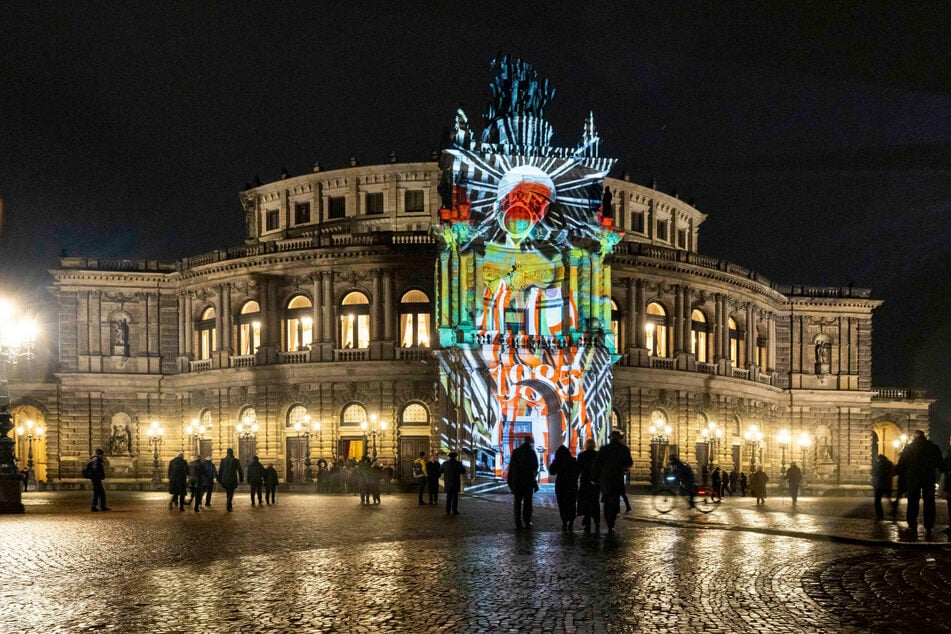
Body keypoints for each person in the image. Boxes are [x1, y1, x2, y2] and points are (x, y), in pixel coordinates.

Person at [895, 429, 943, 539]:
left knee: (912, 501)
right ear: (924, 436)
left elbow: (902, 464)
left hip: (913, 479)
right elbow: (940, 463)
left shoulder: (909, 448)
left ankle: (912, 524)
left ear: (914, 437)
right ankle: (929, 525)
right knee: (929, 502)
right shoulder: (933, 447)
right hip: (928, 478)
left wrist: (893, 472)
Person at [593, 430, 634, 533]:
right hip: (617, 477)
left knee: (606, 499)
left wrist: (595, 478)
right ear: (619, 438)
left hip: (605, 478)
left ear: (610, 438)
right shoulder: (624, 449)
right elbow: (629, 462)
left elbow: (596, 464)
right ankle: (612, 522)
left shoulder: (604, 449)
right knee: (615, 500)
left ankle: (608, 521)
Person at [507, 436, 539, 530]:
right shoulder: (532, 453)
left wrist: (510, 482)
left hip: (517, 482)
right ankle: (527, 521)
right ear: (530, 443)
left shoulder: (516, 452)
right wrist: (534, 482)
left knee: (517, 503)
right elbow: (535, 468)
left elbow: (511, 468)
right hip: (528, 482)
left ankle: (518, 523)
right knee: (527, 503)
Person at [548, 445, 579, 532]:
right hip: (572, 486)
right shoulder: (573, 461)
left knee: (562, 504)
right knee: (572, 504)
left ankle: (564, 521)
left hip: (561, 486)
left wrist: (554, 461)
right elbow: (577, 472)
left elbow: (552, 471)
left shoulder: (558, 462)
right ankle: (571, 521)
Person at [577, 439, 600, 532]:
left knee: (585, 501)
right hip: (595, 481)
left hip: (585, 481)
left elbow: (579, 468)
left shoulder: (582, 455)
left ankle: (587, 521)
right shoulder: (597, 455)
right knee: (595, 501)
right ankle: (596, 520)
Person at [218, 448, 244, 512]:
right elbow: (240, 470)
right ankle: (228, 503)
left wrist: (220, 479)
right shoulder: (236, 461)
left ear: (227, 453)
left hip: (225, 479)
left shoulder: (223, 460)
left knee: (228, 491)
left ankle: (229, 504)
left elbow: (220, 470)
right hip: (232, 479)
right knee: (231, 492)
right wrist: (241, 478)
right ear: (232, 453)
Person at [440, 451, 466, 515]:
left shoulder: (445, 463)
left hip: (448, 482)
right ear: (455, 457)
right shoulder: (458, 463)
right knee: (455, 497)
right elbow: (463, 471)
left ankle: (447, 510)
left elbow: (441, 470)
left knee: (448, 497)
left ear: (449, 457)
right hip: (456, 482)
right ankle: (454, 510)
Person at [871, 453, 893, 520]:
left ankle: (879, 515)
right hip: (888, 484)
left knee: (877, 501)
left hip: (880, 485)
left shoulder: (879, 464)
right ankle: (894, 510)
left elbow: (874, 472)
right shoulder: (889, 464)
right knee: (889, 499)